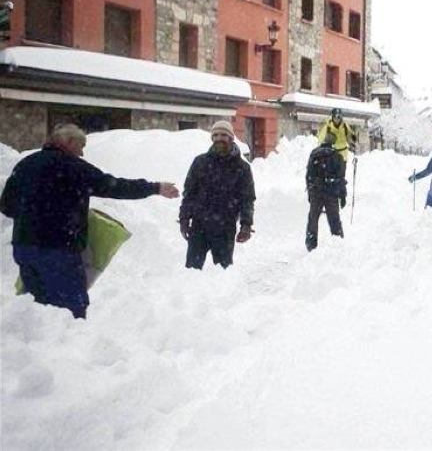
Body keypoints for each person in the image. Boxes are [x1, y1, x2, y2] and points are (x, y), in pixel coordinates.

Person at [0, 124, 179, 319]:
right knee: (70, 308)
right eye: (81, 145)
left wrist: (32, 216)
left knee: (35, 305)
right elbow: (115, 187)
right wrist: (155, 188)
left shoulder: (26, 164)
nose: (82, 152)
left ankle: (36, 345)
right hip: (59, 247)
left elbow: (7, 206)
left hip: (24, 246)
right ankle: (70, 343)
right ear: (68, 142)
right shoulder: (73, 167)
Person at [179, 121, 256, 270]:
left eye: (223, 135)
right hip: (199, 226)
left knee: (223, 273)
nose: (219, 138)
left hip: (225, 228)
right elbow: (189, 194)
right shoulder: (200, 162)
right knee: (191, 273)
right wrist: (184, 219)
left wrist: (246, 225)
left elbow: (247, 199)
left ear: (231, 138)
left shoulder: (242, 168)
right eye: (215, 135)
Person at [306, 133, 347, 250]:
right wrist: (343, 196)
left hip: (316, 191)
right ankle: (338, 241)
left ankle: (311, 243)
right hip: (331, 192)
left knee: (313, 219)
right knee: (334, 219)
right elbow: (341, 179)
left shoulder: (314, 154)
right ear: (333, 143)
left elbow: (308, 175)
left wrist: (310, 192)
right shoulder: (336, 156)